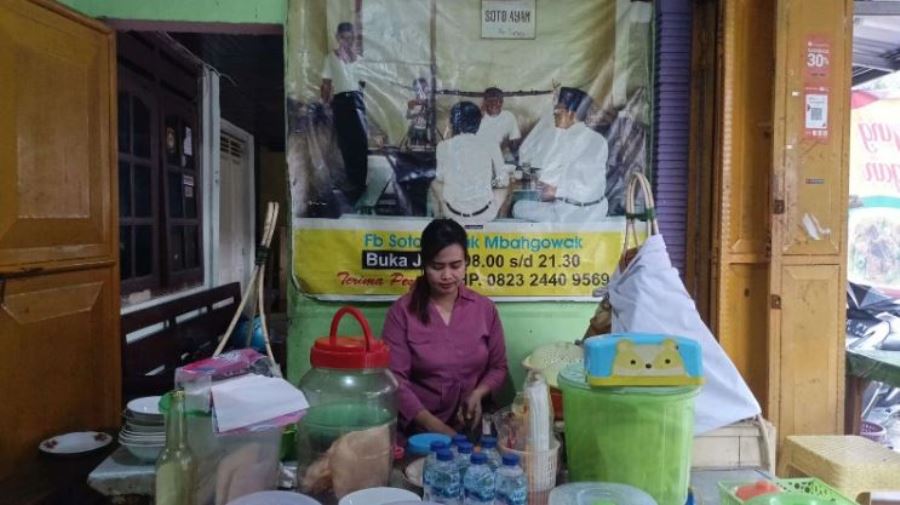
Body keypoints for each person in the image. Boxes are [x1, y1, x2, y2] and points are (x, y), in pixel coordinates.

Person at [382, 219, 509, 437]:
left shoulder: (484, 309)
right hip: (421, 432)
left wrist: (478, 394)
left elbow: (498, 367)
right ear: (424, 264)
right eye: (437, 267)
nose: (447, 276)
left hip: (473, 427)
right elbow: (395, 381)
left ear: (467, 262)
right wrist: (435, 427)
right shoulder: (401, 313)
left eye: (456, 265)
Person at [512, 87, 609, 222]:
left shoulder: (564, 139)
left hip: (572, 212)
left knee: (518, 207)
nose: (554, 114)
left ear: (571, 114)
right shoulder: (599, 140)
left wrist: (556, 191)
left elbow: (546, 181)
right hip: (598, 210)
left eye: (558, 111)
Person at [430, 101, 511, 225]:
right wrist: (490, 182)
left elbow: (440, 178)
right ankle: (500, 225)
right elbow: (503, 181)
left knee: (435, 183)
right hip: (485, 214)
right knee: (506, 188)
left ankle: (439, 220)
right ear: (478, 123)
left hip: (452, 213)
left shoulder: (443, 146)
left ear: (453, 123)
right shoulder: (491, 144)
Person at [321, 21, 368, 206]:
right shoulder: (330, 58)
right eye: (344, 37)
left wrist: (353, 58)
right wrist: (325, 103)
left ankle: (360, 183)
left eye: (351, 38)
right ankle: (351, 182)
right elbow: (326, 83)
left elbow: (363, 83)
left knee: (360, 143)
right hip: (340, 101)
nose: (347, 41)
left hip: (357, 101)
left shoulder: (359, 59)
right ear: (338, 37)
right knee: (345, 142)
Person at [477, 87, 521, 158]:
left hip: (502, 157)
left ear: (502, 102)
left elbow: (514, 140)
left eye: (497, 101)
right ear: (485, 102)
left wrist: (515, 157)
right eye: (490, 100)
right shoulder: (478, 118)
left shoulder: (508, 116)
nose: (494, 104)